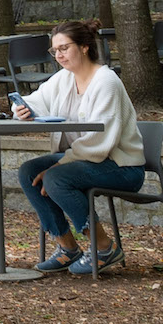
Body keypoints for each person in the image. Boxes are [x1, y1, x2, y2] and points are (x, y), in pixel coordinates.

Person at [12, 19, 147, 274]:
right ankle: (68, 248)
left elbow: (99, 143)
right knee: (29, 171)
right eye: (55, 51)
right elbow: (34, 101)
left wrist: (60, 164)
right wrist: (20, 108)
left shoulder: (105, 82)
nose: (59, 55)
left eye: (64, 48)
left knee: (55, 178)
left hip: (121, 166)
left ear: (84, 47)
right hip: (85, 162)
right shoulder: (64, 79)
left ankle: (105, 248)